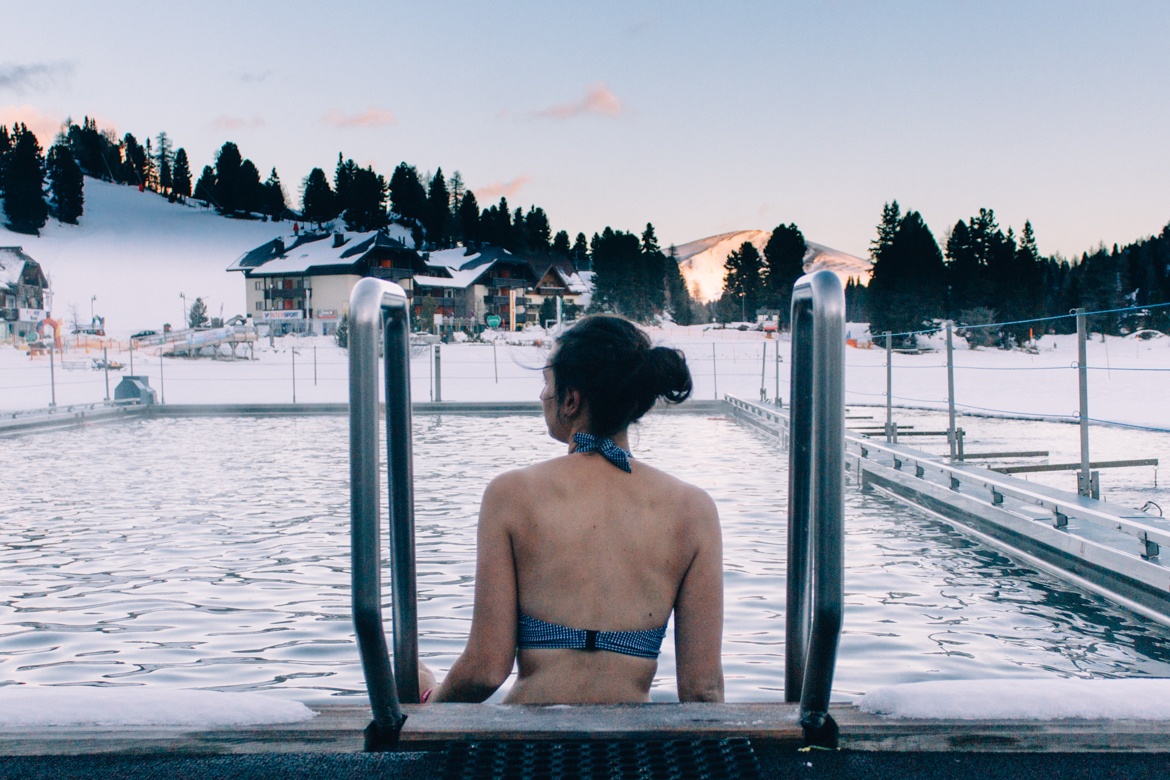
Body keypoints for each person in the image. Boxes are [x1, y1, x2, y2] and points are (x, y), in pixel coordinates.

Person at [419, 314, 724, 704]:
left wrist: (431, 698)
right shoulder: (692, 509)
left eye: (546, 382)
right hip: (633, 754)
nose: (541, 395)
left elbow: (485, 670)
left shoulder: (511, 495)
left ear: (571, 399)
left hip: (531, 750)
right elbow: (703, 690)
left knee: (412, 674)